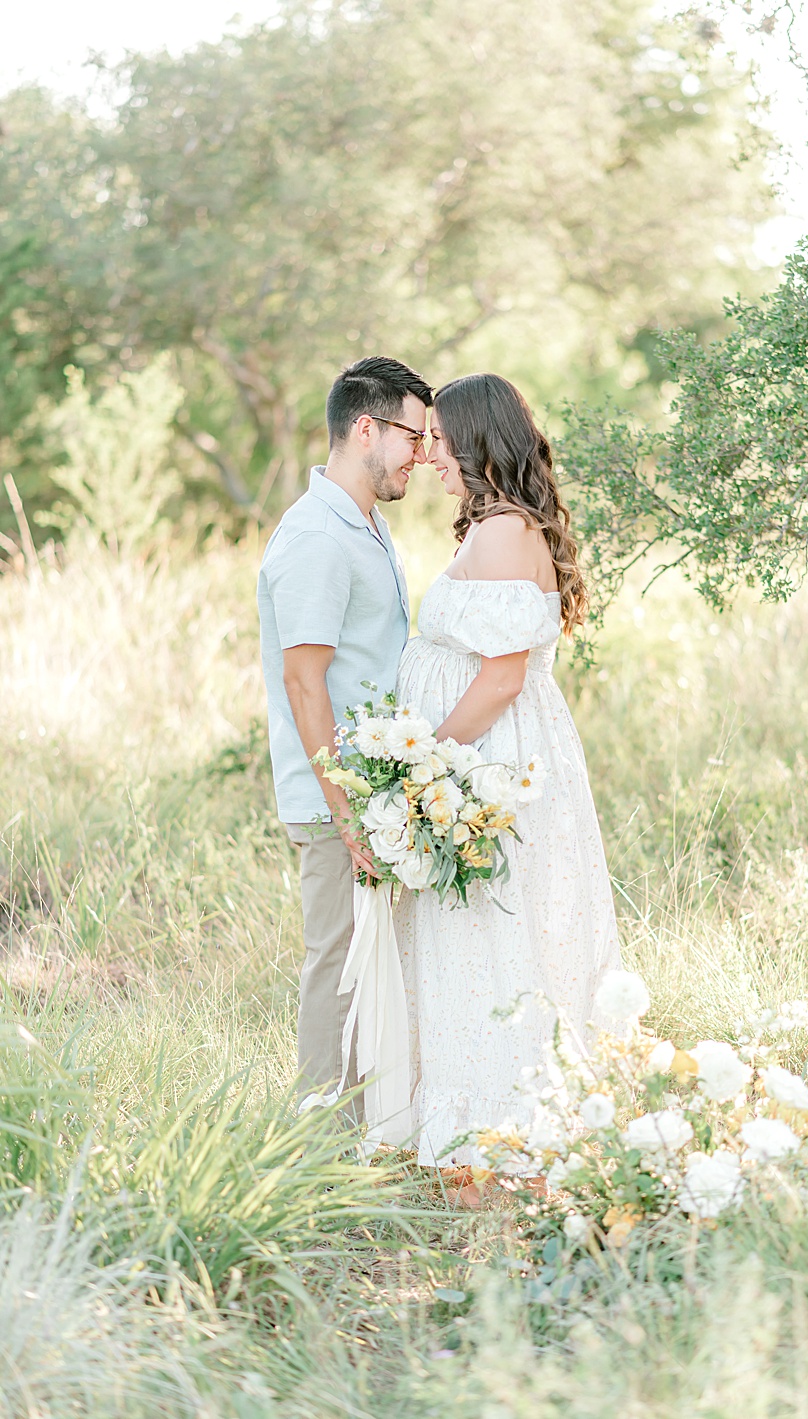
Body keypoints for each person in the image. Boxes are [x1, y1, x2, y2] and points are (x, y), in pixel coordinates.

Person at [394, 372, 621, 1186]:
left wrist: (425, 765)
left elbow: (499, 679)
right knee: (496, 939)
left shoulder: (500, 533)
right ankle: (504, 1132)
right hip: (500, 755)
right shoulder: (500, 527)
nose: (432, 459)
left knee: (492, 939)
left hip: (488, 759)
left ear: (476, 441)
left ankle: (500, 1138)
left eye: (442, 443)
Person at [257, 355, 433, 1116]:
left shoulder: (366, 524)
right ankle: (315, 1151)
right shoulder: (315, 538)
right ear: (366, 427)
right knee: (335, 964)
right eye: (411, 436)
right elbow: (305, 680)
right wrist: (345, 807)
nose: (422, 456)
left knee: (370, 967)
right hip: (339, 796)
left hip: (372, 792)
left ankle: (366, 1133)